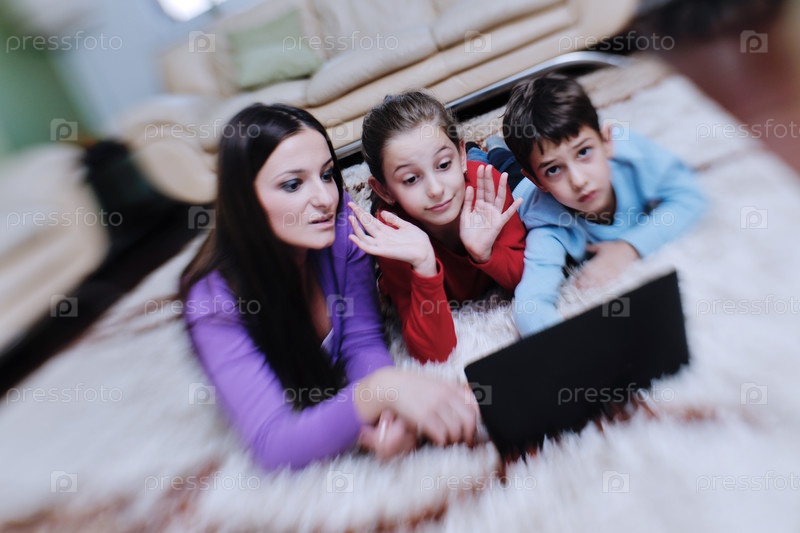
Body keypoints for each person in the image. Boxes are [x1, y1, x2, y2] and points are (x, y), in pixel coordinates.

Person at [180, 104, 478, 470]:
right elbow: (273, 443)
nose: (325, 198)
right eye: (293, 184)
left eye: (326, 175)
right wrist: (381, 391)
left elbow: (362, 341)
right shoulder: (212, 303)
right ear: (245, 200)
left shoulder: (342, 225)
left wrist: (389, 417)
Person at [499, 73, 707, 336]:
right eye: (554, 169)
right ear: (538, 181)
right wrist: (570, 346)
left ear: (606, 141)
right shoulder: (548, 224)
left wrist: (628, 248)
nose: (579, 181)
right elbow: (529, 305)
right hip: (518, 187)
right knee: (500, 164)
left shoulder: (631, 154)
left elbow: (690, 195)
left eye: (583, 152)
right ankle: (493, 150)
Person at [350, 91, 526, 363]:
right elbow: (433, 351)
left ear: (459, 156)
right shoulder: (393, 235)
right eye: (411, 179)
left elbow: (528, 278)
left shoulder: (487, 188)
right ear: (384, 190)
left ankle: (489, 148)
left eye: (443, 164)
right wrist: (424, 265)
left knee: (509, 169)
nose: (435, 189)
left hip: (476, 172)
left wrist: (485, 254)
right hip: (404, 211)